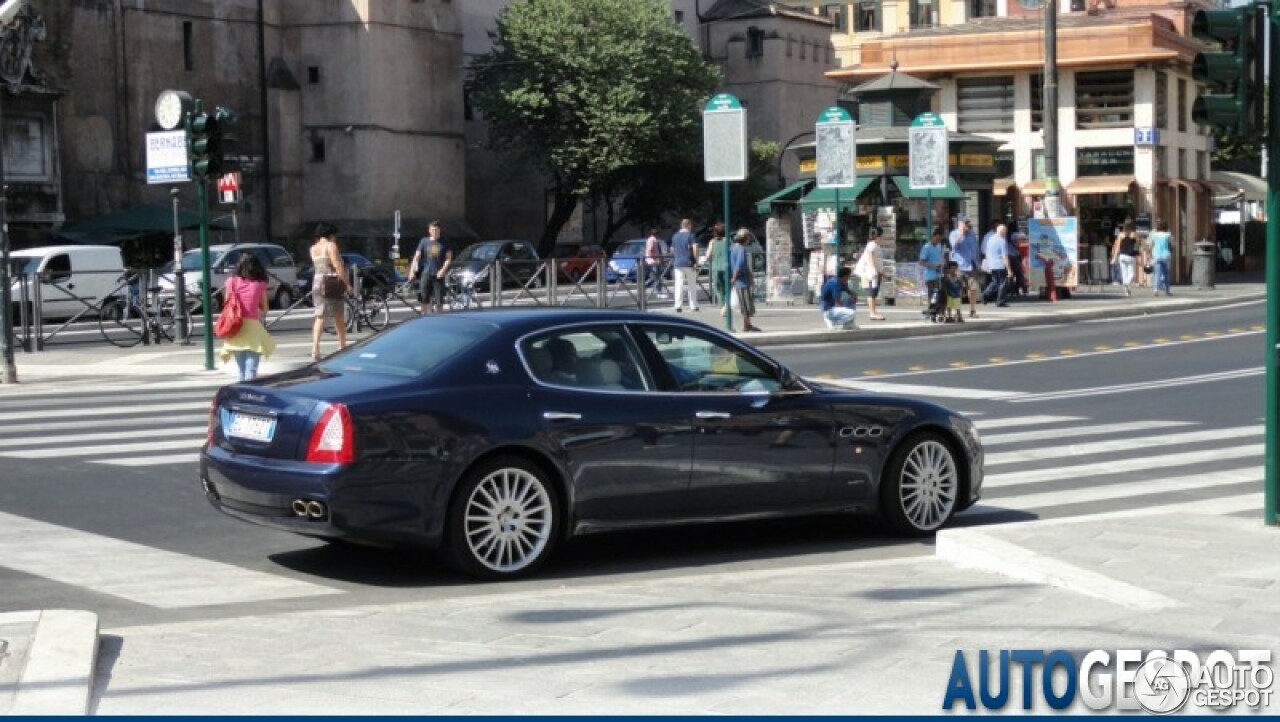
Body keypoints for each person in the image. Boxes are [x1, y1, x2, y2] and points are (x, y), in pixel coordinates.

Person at [219, 253, 276, 381]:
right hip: (252, 328)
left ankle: (242, 393)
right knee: (251, 368)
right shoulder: (259, 284)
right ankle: (249, 394)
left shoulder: (231, 282)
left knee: (241, 369)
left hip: (236, 327)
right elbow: (265, 309)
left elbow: (227, 303)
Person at [309, 222, 348, 360]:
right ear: (331, 234)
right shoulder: (331, 246)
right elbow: (337, 265)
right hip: (331, 282)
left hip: (317, 281)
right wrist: (347, 284)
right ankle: (342, 345)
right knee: (338, 314)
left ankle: (315, 349)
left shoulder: (313, 248)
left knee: (320, 316)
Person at [409, 220, 451, 314]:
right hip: (426, 273)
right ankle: (424, 319)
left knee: (439, 302)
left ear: (439, 230)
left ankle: (439, 320)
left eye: (436, 230)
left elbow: (448, 259)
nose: (434, 232)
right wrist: (412, 271)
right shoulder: (424, 241)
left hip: (438, 274)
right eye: (432, 230)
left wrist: (443, 270)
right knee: (424, 299)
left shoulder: (444, 242)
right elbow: (417, 257)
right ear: (429, 230)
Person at [948, 216, 980, 318]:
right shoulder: (954, 233)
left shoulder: (972, 234)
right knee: (957, 289)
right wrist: (961, 233)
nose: (967, 226)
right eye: (965, 224)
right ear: (960, 224)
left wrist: (978, 261)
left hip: (971, 265)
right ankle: (957, 311)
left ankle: (973, 310)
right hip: (959, 265)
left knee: (973, 288)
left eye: (968, 223)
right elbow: (954, 245)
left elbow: (975, 248)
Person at [730, 228, 761, 333]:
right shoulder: (741, 249)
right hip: (742, 280)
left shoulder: (733, 248)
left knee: (744, 303)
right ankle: (747, 325)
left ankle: (747, 324)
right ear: (745, 238)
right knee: (746, 304)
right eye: (748, 237)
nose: (749, 239)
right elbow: (739, 265)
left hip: (739, 280)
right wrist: (734, 278)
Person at [854, 229, 886, 321]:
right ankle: (872, 313)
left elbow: (877, 261)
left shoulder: (876, 245)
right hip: (870, 274)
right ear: (878, 236)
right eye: (882, 236)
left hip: (874, 273)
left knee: (874, 293)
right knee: (871, 293)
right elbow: (869, 256)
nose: (883, 238)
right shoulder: (872, 245)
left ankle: (874, 312)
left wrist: (882, 273)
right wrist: (873, 269)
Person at [669, 218, 699, 312]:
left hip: (678, 263)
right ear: (689, 225)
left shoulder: (675, 236)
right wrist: (696, 261)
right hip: (689, 263)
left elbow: (672, 250)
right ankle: (693, 305)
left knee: (679, 284)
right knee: (692, 284)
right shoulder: (691, 235)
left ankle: (678, 305)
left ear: (681, 226)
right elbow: (695, 248)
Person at [919, 228, 946, 321]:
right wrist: (933, 265)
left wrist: (942, 262)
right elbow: (921, 262)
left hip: (939, 275)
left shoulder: (938, 247)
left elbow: (940, 258)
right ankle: (931, 311)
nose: (938, 241)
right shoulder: (927, 247)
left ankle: (938, 312)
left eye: (939, 240)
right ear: (933, 237)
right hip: (930, 275)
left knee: (940, 294)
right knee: (933, 295)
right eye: (937, 239)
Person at [703, 222, 730, 316]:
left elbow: (707, 255)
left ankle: (722, 305)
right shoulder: (728, 241)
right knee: (727, 288)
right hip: (726, 267)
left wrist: (710, 258)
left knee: (718, 288)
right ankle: (726, 305)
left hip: (716, 267)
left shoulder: (712, 242)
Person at [982, 224, 1012, 307]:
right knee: (1003, 283)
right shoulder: (1002, 241)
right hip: (1000, 264)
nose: (1006, 232)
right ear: (1001, 231)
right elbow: (1005, 256)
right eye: (1005, 231)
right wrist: (1009, 269)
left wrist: (989, 263)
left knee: (995, 282)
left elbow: (986, 252)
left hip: (992, 264)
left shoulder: (990, 239)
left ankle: (985, 294)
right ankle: (1000, 301)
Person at [819, 266, 857, 330]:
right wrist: (846, 309)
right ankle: (833, 321)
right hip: (828, 309)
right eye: (849, 276)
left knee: (850, 301)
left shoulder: (842, 282)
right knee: (852, 313)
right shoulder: (835, 284)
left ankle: (848, 324)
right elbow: (837, 302)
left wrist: (854, 296)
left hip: (833, 306)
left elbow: (850, 292)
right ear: (845, 276)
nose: (849, 278)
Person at [1111, 219, 1140, 297]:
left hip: (1122, 256)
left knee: (1124, 273)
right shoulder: (1134, 234)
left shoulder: (1121, 234)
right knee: (1132, 274)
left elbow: (1117, 247)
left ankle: (1127, 291)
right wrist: (1138, 253)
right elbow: (1138, 245)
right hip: (1131, 256)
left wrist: (1114, 257)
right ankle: (1126, 284)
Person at [1150, 218, 1173, 296]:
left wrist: (1150, 254)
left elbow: (1151, 245)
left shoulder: (1154, 235)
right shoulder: (1168, 235)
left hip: (1156, 255)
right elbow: (1172, 244)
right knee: (1166, 273)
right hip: (1165, 256)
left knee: (1157, 273)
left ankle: (1155, 290)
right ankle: (1167, 290)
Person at [643, 228, 668, 297]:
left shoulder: (651, 239)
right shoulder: (653, 240)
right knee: (656, 276)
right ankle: (657, 291)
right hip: (653, 261)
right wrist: (656, 258)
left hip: (652, 260)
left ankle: (657, 289)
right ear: (656, 234)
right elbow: (650, 251)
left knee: (656, 275)